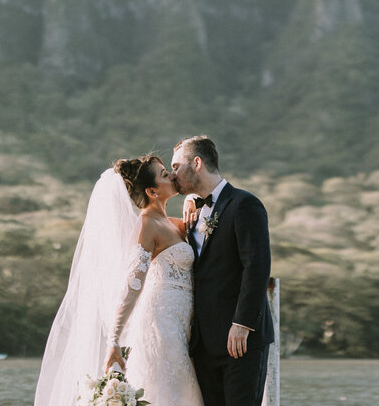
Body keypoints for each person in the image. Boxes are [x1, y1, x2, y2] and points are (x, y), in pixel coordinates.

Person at [35, 155, 202, 406]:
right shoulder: (147, 224)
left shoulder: (174, 224)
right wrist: (113, 339)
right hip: (161, 324)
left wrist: (192, 199)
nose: (172, 176)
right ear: (152, 191)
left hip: (184, 323)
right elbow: (133, 285)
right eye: (164, 174)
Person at [171, 135, 274, 406]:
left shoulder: (244, 204)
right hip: (204, 343)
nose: (173, 174)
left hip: (240, 339)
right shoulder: (193, 213)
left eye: (176, 166)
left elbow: (257, 267)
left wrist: (242, 324)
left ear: (196, 163)